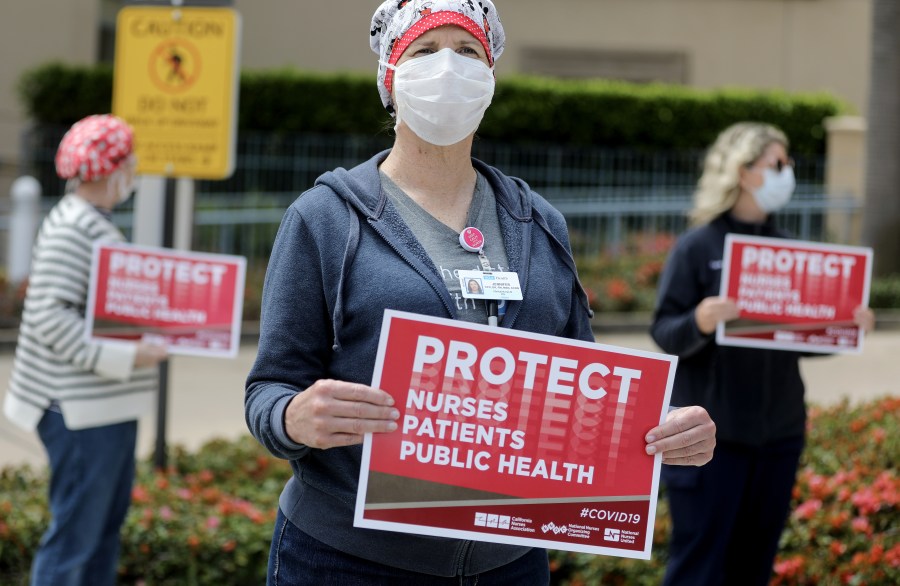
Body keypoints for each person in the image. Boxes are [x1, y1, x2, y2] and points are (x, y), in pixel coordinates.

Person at [245, 2, 716, 584]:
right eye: (424, 50)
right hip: (348, 560)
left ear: (490, 78)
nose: (448, 67)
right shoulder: (323, 219)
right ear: (391, 78)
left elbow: (581, 383)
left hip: (509, 563)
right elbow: (269, 389)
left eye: (467, 51)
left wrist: (663, 424)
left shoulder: (537, 223)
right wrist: (295, 417)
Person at [649, 122, 876, 586]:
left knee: (755, 566)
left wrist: (843, 328)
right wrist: (701, 322)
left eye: (788, 163)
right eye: (777, 163)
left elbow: (793, 342)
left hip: (778, 439)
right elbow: (664, 332)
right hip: (711, 445)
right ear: (744, 171)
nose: (787, 172)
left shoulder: (788, 249)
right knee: (700, 567)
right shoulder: (698, 246)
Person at [3, 114, 168, 586]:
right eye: (129, 161)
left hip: (98, 406)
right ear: (111, 169)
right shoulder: (74, 227)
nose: (134, 170)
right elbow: (48, 316)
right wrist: (127, 357)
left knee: (98, 533)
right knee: (77, 537)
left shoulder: (85, 221)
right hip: (78, 409)